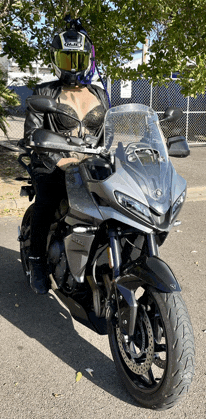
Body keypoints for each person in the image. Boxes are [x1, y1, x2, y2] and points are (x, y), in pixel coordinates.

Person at [23, 18, 109, 295]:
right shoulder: (44, 92)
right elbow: (32, 136)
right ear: (56, 59)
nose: (72, 66)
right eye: (65, 58)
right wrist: (60, 160)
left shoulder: (99, 92)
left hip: (91, 166)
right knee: (47, 201)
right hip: (53, 164)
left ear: (87, 59)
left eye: (77, 59)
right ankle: (37, 261)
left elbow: (111, 131)